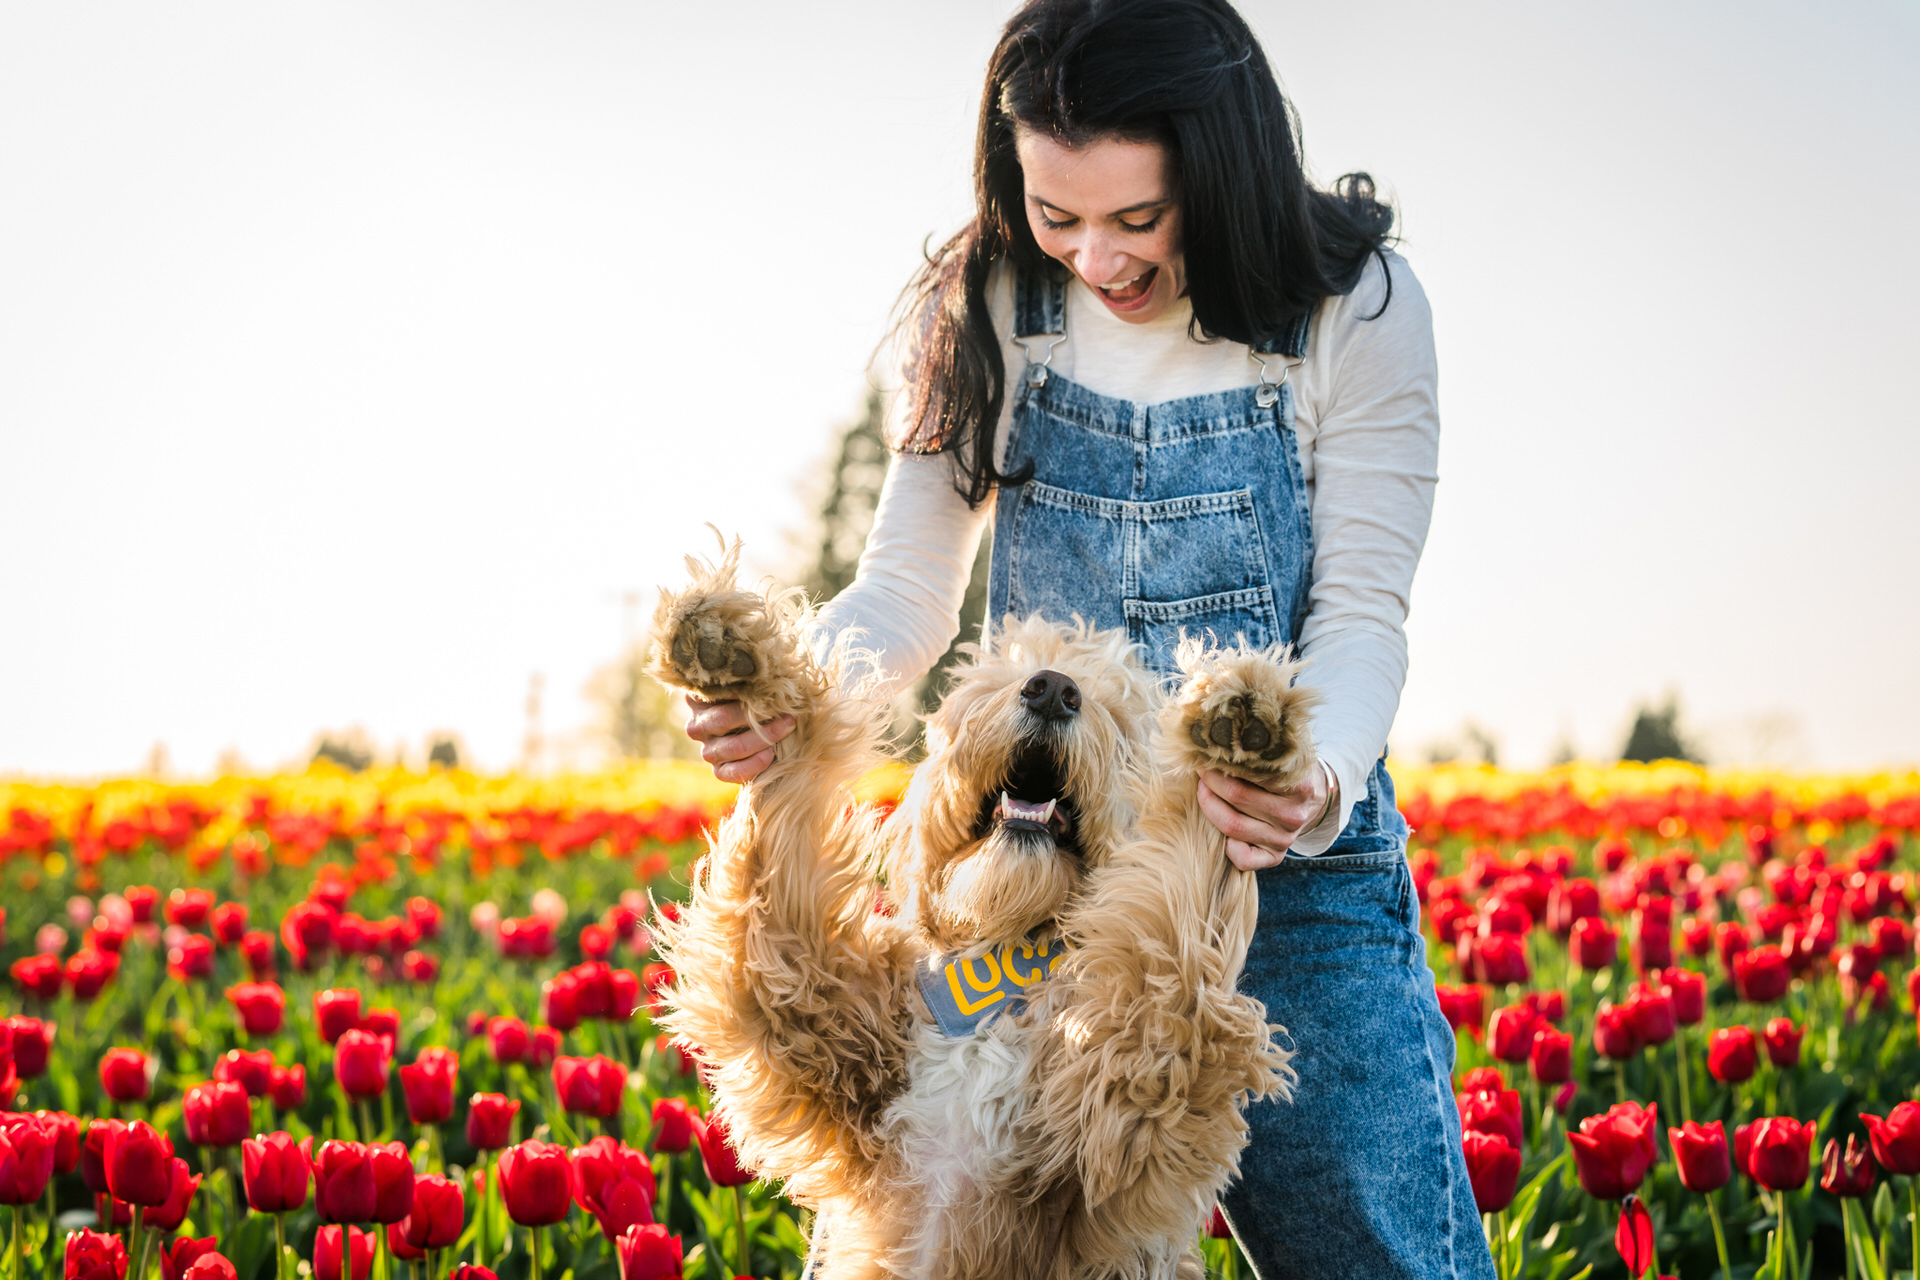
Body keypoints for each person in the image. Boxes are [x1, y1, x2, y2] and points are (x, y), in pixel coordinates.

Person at [684, 1, 1487, 1276]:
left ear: (1218, 169)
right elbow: (902, 589)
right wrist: (795, 699)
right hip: (1025, 872)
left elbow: (1360, 619)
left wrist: (1306, 777)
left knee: (1373, 1254)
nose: (1094, 260)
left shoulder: (1357, 309)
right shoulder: (993, 295)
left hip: (1281, 870)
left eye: (1136, 218)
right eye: (1057, 217)